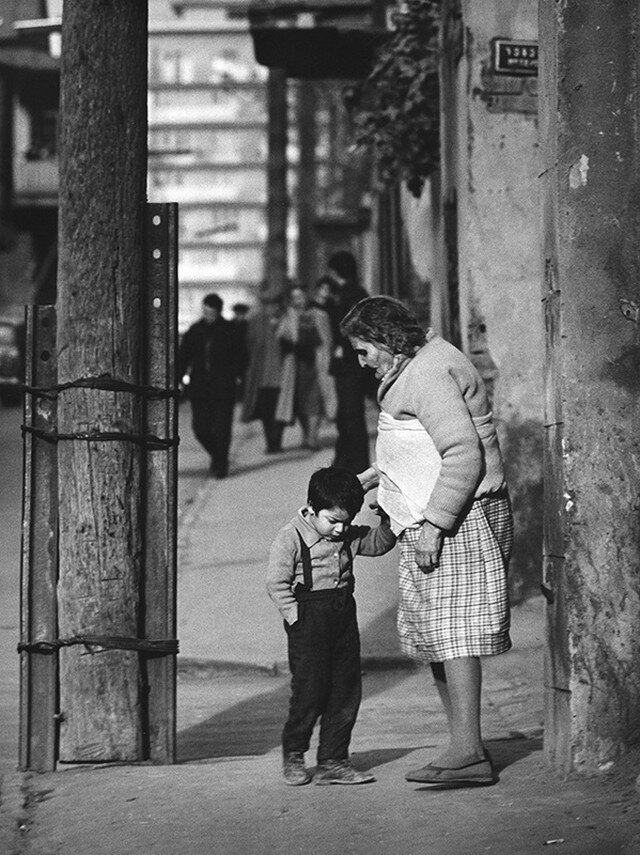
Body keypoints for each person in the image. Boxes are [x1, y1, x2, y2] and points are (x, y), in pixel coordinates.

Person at [341, 295, 513, 787]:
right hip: (438, 512)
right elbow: (418, 445)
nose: (361, 363)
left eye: (363, 351)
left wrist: (435, 525)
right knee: (439, 635)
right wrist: (376, 477)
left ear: (387, 340)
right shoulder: (418, 365)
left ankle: (469, 751)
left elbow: (461, 455)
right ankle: (465, 747)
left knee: (454, 634)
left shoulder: (428, 373)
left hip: (458, 517)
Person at [267, 466, 396, 786]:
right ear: (311, 509)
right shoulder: (291, 536)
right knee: (310, 691)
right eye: (333, 521)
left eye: (346, 522)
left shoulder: (347, 535)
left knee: (345, 690)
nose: (340, 529)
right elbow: (276, 583)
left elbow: (379, 543)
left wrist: (387, 517)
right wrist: (295, 618)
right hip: (308, 619)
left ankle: (333, 760)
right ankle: (295, 752)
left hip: (342, 616)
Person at [179, 293, 247, 478]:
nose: (208, 315)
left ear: (218, 311)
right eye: (206, 311)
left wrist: (235, 375)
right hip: (200, 389)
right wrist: (178, 379)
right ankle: (219, 457)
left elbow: (242, 357)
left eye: (212, 312)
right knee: (200, 429)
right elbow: (184, 357)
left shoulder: (230, 330)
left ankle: (220, 465)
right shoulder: (195, 330)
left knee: (222, 429)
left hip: (223, 388)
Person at [325, 251, 370, 473]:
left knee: (351, 415)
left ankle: (355, 462)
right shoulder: (352, 292)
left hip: (349, 364)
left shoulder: (349, 294)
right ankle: (344, 460)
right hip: (349, 363)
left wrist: (343, 348)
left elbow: (350, 327)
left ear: (335, 271)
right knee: (346, 415)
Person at [275, 285, 324, 450]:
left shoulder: (318, 314)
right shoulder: (288, 316)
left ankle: (313, 437)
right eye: (295, 297)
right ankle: (306, 436)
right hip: (296, 365)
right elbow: (280, 337)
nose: (298, 301)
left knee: (315, 400)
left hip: (315, 364)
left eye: (300, 296)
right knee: (300, 402)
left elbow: (325, 339)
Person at [241, 292, 285, 454]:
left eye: (275, 305)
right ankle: (271, 443)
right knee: (267, 413)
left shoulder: (285, 320)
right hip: (263, 377)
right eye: (269, 305)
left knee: (280, 412)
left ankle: (276, 441)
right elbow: (249, 343)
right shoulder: (257, 322)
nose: (272, 308)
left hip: (281, 376)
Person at [307, 277, 338, 425]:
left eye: (328, 290)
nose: (325, 292)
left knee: (328, 381)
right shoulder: (311, 307)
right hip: (316, 349)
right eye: (323, 289)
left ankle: (331, 413)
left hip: (329, 348)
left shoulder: (332, 306)